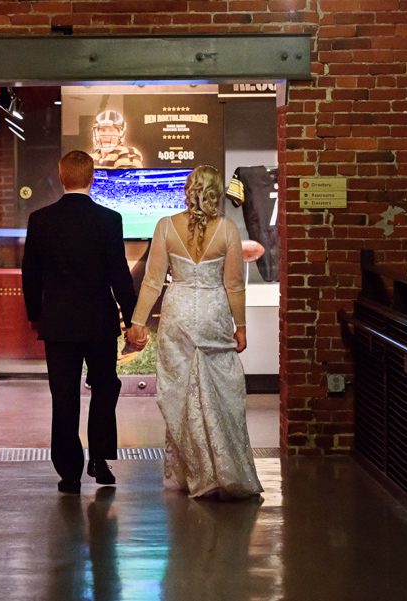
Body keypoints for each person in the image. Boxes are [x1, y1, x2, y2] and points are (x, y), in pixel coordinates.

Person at [126, 165, 263, 500]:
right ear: (216, 192)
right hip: (214, 315)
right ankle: (225, 470)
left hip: (179, 316)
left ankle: (194, 471)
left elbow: (153, 281)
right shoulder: (228, 229)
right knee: (223, 393)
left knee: (182, 393)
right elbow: (233, 285)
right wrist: (241, 325)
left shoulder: (165, 226)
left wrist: (138, 321)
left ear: (189, 190)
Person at [22, 150, 137, 494]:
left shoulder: (40, 219)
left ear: (61, 176)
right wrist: (132, 318)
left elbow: (31, 273)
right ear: (92, 177)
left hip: (58, 323)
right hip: (98, 320)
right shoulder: (109, 219)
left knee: (64, 395)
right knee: (105, 387)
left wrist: (34, 314)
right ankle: (100, 461)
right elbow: (120, 274)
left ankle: (69, 472)